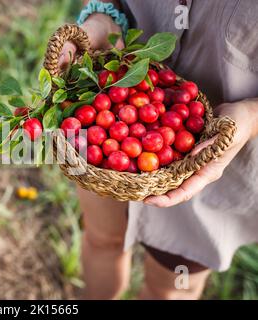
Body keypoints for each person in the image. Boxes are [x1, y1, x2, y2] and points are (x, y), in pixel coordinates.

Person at [58, 0, 258, 299]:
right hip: (105, 126)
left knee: (172, 286)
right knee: (101, 240)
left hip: (215, 158)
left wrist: (252, 115)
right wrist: (103, 17)